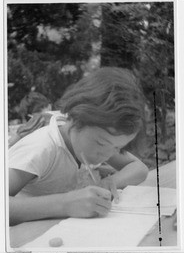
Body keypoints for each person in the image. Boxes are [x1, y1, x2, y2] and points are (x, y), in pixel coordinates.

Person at [9, 67, 148, 226]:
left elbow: (139, 168)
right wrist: (66, 204)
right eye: (101, 143)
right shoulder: (42, 147)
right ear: (76, 119)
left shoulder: (97, 140)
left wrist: (110, 182)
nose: (108, 155)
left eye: (117, 148)